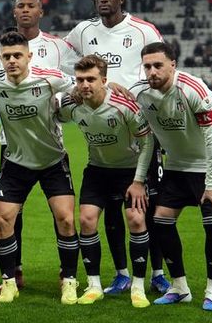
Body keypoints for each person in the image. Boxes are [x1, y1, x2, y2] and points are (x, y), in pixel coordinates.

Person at [64, 0, 170, 295]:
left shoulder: (143, 30)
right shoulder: (83, 31)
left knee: (148, 208)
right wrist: (74, 87)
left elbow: (159, 68)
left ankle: (157, 272)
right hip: (103, 123)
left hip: (141, 124)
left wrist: (130, 90)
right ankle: (122, 273)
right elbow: (66, 63)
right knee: (110, 211)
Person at [0, 31, 78, 304]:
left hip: (52, 160)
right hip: (17, 161)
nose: (12, 61)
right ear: (0, 58)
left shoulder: (50, 78)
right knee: (3, 219)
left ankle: (69, 280)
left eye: (17, 55)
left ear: (29, 56)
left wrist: (112, 87)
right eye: (6, 56)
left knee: (66, 219)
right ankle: (9, 282)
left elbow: (83, 85)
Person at [131, 42, 212, 311]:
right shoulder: (141, 94)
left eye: (158, 65)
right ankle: (180, 288)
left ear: (173, 65)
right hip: (178, 164)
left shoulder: (193, 89)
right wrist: (139, 179)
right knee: (161, 221)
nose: (152, 72)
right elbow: (146, 140)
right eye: (147, 66)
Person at [0, 0, 79, 288]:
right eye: (20, 6)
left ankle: (68, 275)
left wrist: (64, 104)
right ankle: (13, 271)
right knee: (9, 214)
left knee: (64, 216)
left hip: (49, 141)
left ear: (40, 11)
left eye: (31, 5)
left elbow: (79, 78)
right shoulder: (1, 49)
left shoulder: (58, 47)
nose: (25, 10)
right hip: (12, 143)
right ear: (14, 11)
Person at [57, 55, 153, 308]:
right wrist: (67, 94)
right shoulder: (73, 104)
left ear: (104, 80)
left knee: (136, 219)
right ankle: (94, 285)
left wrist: (139, 181)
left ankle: (138, 287)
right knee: (87, 220)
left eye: (91, 79)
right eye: (80, 80)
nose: (84, 85)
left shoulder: (124, 106)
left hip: (129, 171)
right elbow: (55, 111)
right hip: (97, 170)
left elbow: (147, 142)